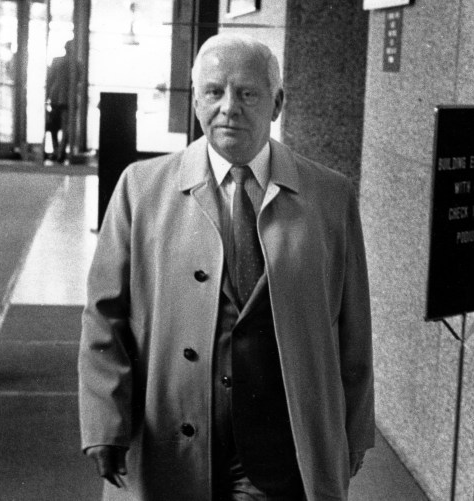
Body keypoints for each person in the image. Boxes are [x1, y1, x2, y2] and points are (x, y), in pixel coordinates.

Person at [78, 33, 374, 501]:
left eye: (248, 93)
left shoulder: (330, 197)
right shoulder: (141, 188)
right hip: (168, 440)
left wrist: (354, 430)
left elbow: (354, 327)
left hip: (281, 450)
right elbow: (104, 317)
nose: (229, 107)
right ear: (196, 100)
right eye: (214, 91)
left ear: (277, 103)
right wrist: (104, 421)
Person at [46, 40, 75, 163]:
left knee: (54, 127)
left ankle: (56, 150)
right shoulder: (76, 64)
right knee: (65, 127)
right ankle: (61, 153)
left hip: (55, 97)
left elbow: (50, 79)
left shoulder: (56, 61)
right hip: (68, 99)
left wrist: (47, 96)